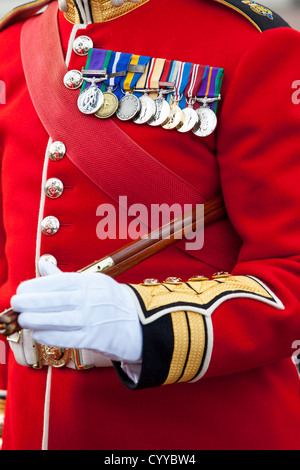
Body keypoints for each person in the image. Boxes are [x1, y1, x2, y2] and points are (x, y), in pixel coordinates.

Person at [0, 0, 300, 451]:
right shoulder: (11, 43)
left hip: (199, 430)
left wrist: (146, 322)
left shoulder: (247, 43)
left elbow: (292, 270)